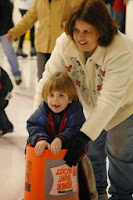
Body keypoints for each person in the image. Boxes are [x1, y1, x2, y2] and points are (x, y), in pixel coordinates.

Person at [33, 0, 133, 200]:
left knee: (119, 153)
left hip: (123, 106)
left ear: (101, 29)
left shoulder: (121, 48)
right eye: (76, 30)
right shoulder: (66, 42)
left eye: (87, 31)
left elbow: (110, 99)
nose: (80, 36)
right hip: (89, 106)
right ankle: (97, 194)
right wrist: (38, 124)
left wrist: (83, 136)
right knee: (92, 154)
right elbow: (48, 81)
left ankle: (121, 195)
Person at [26, 72, 98, 200]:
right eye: (51, 95)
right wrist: (41, 139)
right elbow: (34, 125)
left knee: (85, 180)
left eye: (61, 95)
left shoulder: (74, 110)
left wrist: (61, 138)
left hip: (73, 158)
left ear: (70, 98)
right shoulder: (43, 109)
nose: (55, 100)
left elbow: (76, 128)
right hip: (47, 159)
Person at [5, 0, 81, 81]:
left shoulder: (68, 1)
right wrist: (13, 32)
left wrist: (65, 27)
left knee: (59, 81)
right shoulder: (39, 1)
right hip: (42, 46)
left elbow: (78, 15)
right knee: (42, 80)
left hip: (60, 47)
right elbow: (28, 18)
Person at [0, 0, 22, 85]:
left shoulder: (8, 3)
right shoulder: (9, 3)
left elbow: (8, 18)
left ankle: (17, 75)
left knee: (10, 53)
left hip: (5, 33)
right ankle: (17, 75)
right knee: (10, 53)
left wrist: (13, 32)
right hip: (6, 31)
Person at [0, 67, 14, 135]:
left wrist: (6, 95)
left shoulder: (1, 72)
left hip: (4, 94)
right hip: (4, 93)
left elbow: (9, 86)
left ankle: (7, 127)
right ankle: (7, 127)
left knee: (0, 110)